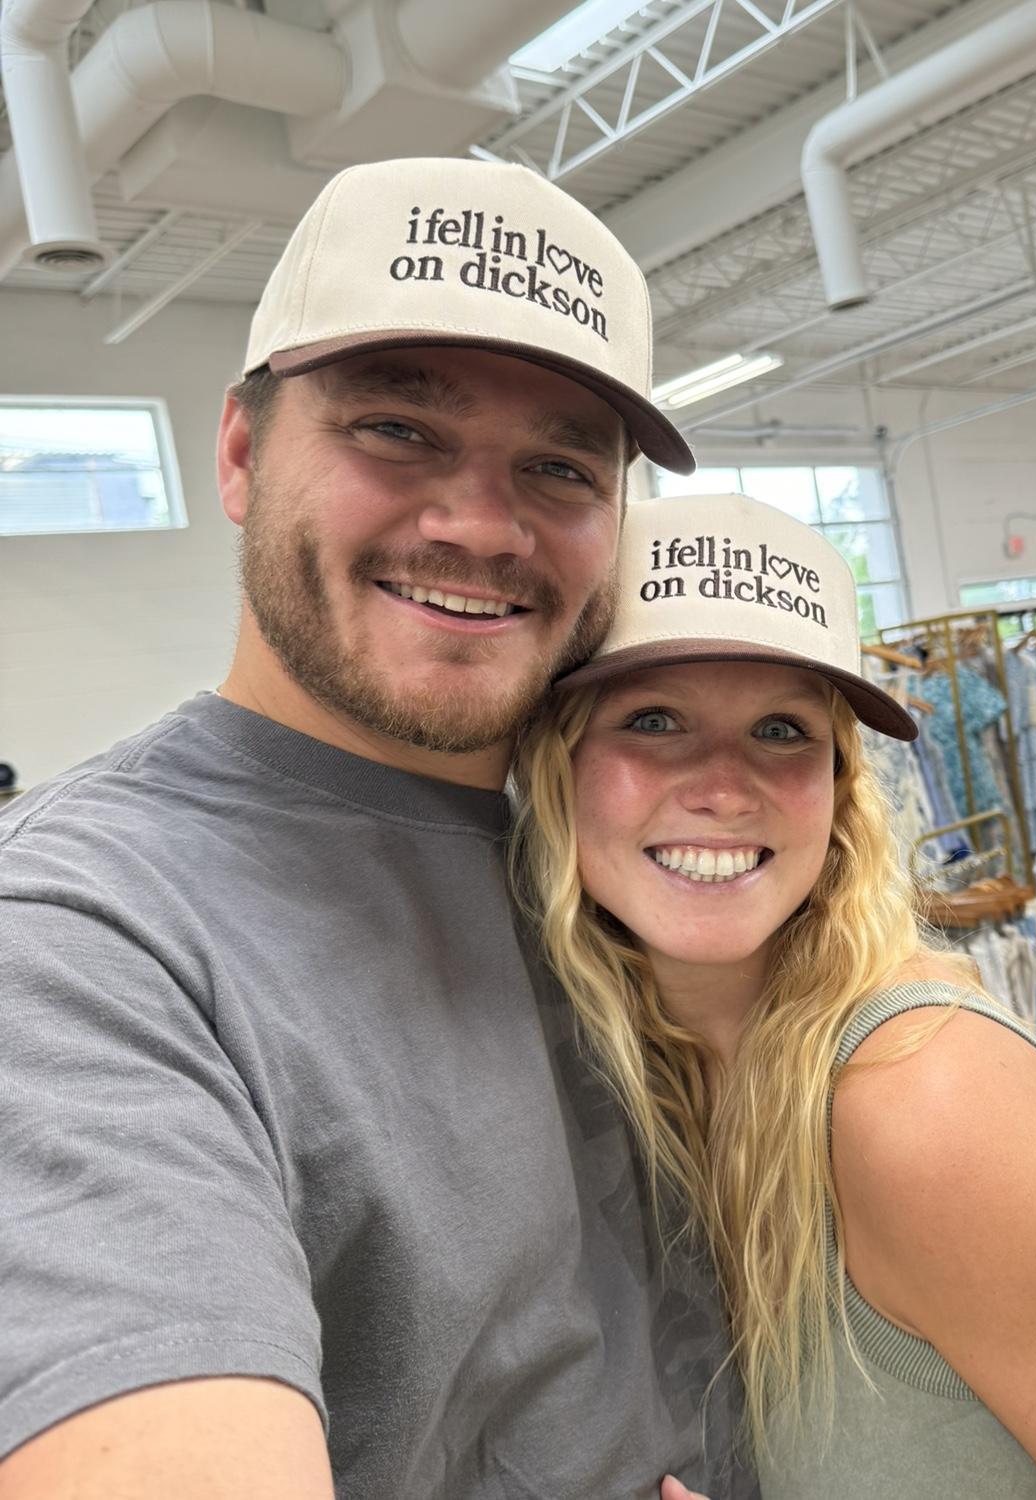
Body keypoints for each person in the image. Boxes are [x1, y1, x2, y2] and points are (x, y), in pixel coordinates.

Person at [0, 158, 747, 1500]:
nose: (478, 524)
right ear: (239, 453)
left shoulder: (623, 848)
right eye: (397, 428)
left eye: (561, 464)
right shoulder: (81, 943)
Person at [510, 491, 1036, 1499]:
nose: (723, 784)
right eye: (654, 720)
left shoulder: (925, 1096)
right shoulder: (636, 1079)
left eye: (779, 728)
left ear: (840, 792)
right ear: (557, 768)